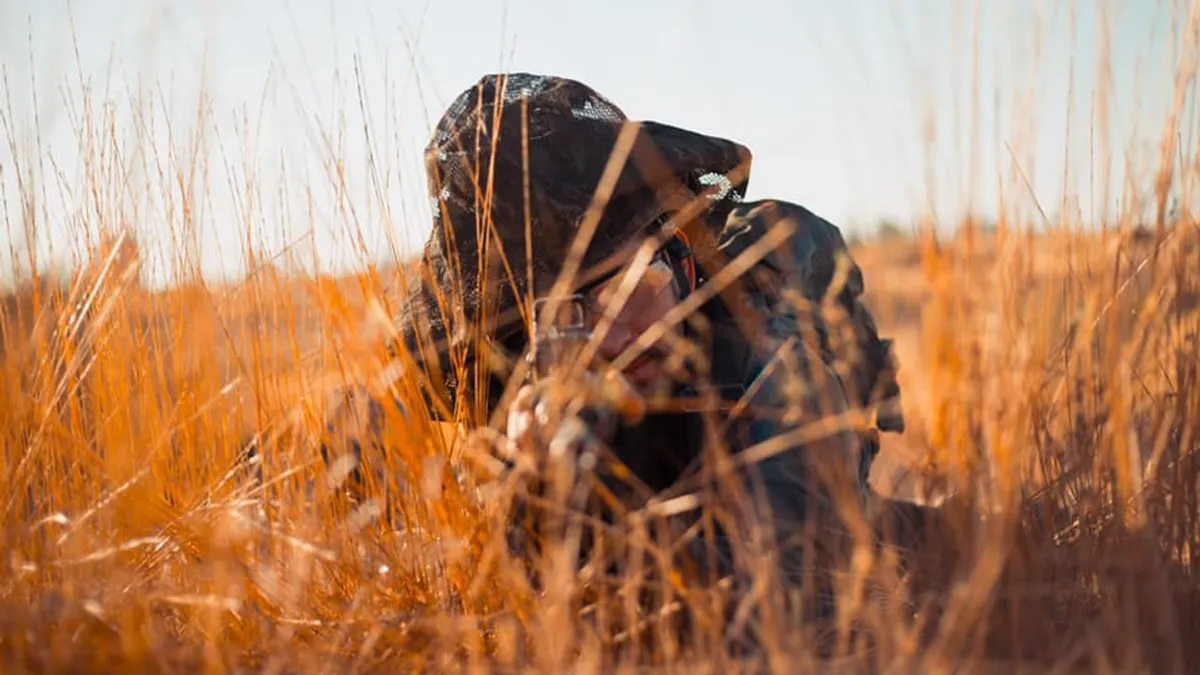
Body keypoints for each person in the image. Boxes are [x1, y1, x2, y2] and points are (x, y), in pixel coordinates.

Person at [318, 72, 906, 626]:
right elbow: (302, 486)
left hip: (782, 473)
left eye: (635, 289)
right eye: (562, 317)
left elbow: (780, 611)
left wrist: (586, 532)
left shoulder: (767, 362)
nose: (615, 340)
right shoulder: (506, 379)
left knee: (882, 527)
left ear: (682, 261)